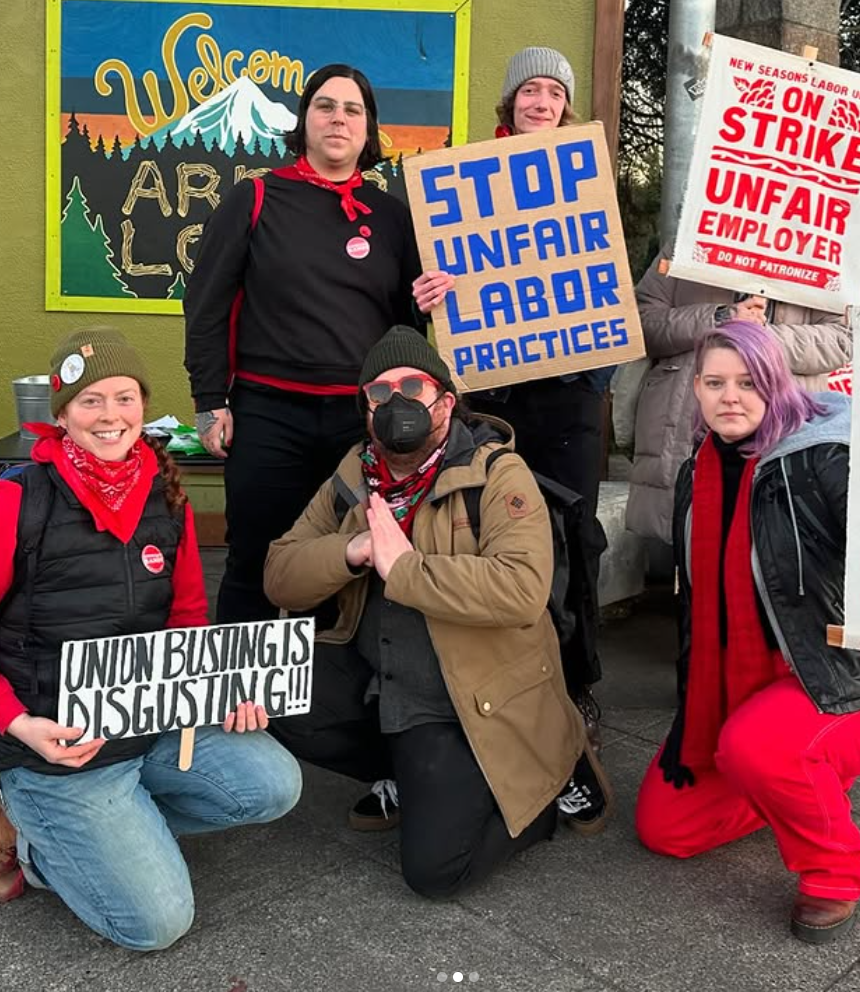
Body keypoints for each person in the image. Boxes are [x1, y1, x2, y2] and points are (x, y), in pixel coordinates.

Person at [265, 326, 612, 899]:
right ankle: (410, 774)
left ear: (445, 402)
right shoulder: (354, 474)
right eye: (378, 393)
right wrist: (352, 551)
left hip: (464, 691)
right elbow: (280, 572)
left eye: (410, 387)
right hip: (381, 673)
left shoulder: (497, 472)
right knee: (273, 692)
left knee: (435, 872)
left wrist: (403, 568)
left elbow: (522, 587)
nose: (394, 404)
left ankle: (548, 787)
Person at [0, 328, 302, 947]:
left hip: (148, 723)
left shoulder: (167, 496)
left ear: (143, 404)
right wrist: (16, 723)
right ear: (61, 415)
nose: (110, 416)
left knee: (275, 784)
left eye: (125, 397)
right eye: (90, 401)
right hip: (56, 748)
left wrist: (218, 690)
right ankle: (32, 840)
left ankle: (117, 826)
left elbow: (188, 615)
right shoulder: (16, 500)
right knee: (154, 925)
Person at [634, 321, 860, 943]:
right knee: (665, 830)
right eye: (714, 383)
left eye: (748, 381)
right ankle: (789, 784)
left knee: (758, 748)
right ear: (698, 391)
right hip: (736, 690)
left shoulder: (826, 457)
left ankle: (836, 866)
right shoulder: (698, 471)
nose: (729, 397)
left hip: (839, 683)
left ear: (776, 383)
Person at [412, 46, 611, 729]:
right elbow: (433, 289)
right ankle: (489, 681)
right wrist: (429, 294)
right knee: (487, 534)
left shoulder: (589, 180)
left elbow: (609, 286)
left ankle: (576, 681)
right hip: (489, 398)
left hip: (568, 395)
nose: (542, 104)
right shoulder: (461, 185)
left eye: (554, 94)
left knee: (576, 537)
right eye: (530, 90)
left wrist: (596, 371)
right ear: (509, 101)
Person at [185, 63, 422, 626]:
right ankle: (240, 699)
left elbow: (408, 324)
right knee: (258, 555)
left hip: (360, 421)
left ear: (368, 131)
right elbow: (206, 305)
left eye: (352, 110)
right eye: (325, 106)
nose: (338, 119)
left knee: (351, 559)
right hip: (268, 415)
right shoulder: (257, 198)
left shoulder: (394, 217)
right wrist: (209, 401)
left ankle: (328, 698)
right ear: (304, 121)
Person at [626, 248, 852, 557]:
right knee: (694, 547)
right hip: (690, 423)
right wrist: (720, 317)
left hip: (785, 428)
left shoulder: (821, 248)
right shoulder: (688, 240)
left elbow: (844, 338)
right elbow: (639, 322)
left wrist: (762, 339)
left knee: (776, 554)